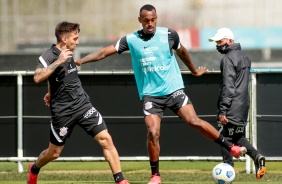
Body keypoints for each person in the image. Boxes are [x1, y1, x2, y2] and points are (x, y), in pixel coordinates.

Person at [75, 5, 247, 184]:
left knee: (194, 121)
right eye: (146, 20)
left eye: (153, 20)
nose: (150, 24)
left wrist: (194, 70)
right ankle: (155, 175)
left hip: (173, 89)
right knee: (152, 132)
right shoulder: (131, 39)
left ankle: (231, 147)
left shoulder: (169, 35)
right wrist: (81, 60)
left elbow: (183, 52)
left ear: (156, 18)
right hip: (151, 95)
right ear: (140, 20)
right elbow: (103, 52)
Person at [27, 21, 129, 184]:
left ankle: (120, 180)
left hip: (83, 105)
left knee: (106, 139)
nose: (78, 41)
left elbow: (58, 77)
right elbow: (37, 76)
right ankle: (34, 168)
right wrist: (58, 62)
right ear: (64, 39)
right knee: (54, 153)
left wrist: (50, 91)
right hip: (62, 112)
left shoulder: (68, 52)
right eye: (75, 38)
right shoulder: (50, 55)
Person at [209, 27, 266, 179]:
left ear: (230, 41)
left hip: (231, 106)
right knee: (238, 137)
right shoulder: (245, 57)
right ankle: (257, 156)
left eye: (220, 41)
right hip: (242, 105)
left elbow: (229, 86)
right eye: (217, 42)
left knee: (224, 139)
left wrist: (223, 110)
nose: (218, 45)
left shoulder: (228, 59)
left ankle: (227, 173)